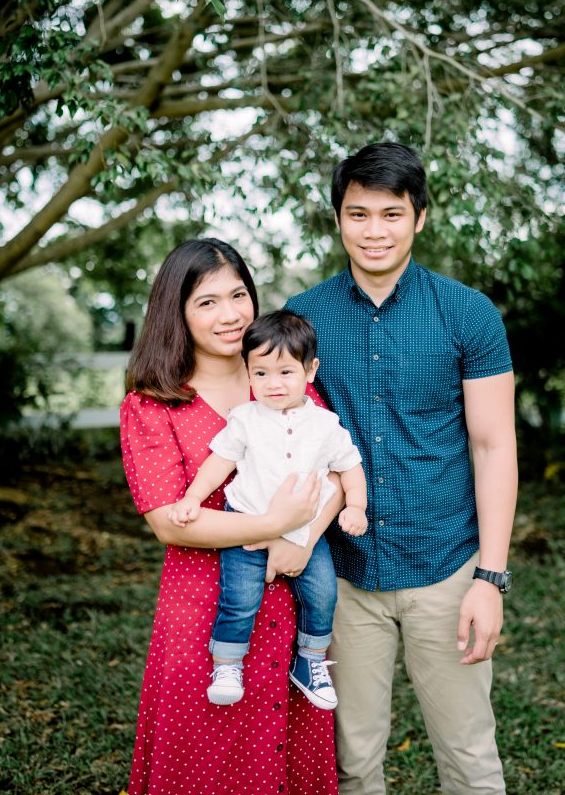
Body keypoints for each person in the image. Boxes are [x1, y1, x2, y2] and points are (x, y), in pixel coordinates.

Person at [286, 142, 518, 795]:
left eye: (391, 214)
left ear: (419, 217)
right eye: (357, 214)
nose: (374, 231)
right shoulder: (302, 320)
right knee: (351, 764)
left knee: (468, 760)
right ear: (337, 218)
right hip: (343, 579)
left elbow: (493, 445)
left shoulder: (467, 314)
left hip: (446, 568)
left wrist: (489, 579)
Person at [120, 238, 341, 795]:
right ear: (178, 313)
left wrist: (303, 537)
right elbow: (171, 521)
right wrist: (272, 528)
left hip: (291, 601)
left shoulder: (278, 378)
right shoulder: (152, 403)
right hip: (202, 612)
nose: (230, 314)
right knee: (207, 760)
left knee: (283, 753)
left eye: (238, 294)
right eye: (207, 302)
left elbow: (335, 472)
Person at [169, 309, 368, 711]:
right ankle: (227, 664)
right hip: (244, 526)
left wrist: (358, 507)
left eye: (285, 373)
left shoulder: (326, 424)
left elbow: (350, 467)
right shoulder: (244, 419)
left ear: (310, 371)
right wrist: (192, 497)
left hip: (304, 533)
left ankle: (310, 660)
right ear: (247, 372)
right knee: (239, 598)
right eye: (260, 374)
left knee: (323, 594)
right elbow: (219, 463)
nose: (272, 384)